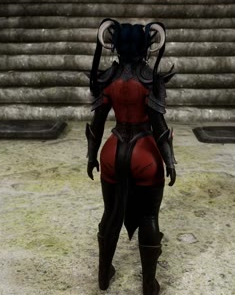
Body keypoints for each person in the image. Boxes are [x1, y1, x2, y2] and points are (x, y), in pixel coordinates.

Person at [85, 18, 177, 294]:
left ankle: (103, 275)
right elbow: (159, 126)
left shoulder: (107, 78)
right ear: (145, 47)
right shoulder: (150, 79)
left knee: (110, 212)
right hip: (144, 153)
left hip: (112, 151)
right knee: (149, 216)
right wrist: (169, 160)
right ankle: (148, 284)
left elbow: (97, 124)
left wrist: (91, 156)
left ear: (116, 46)